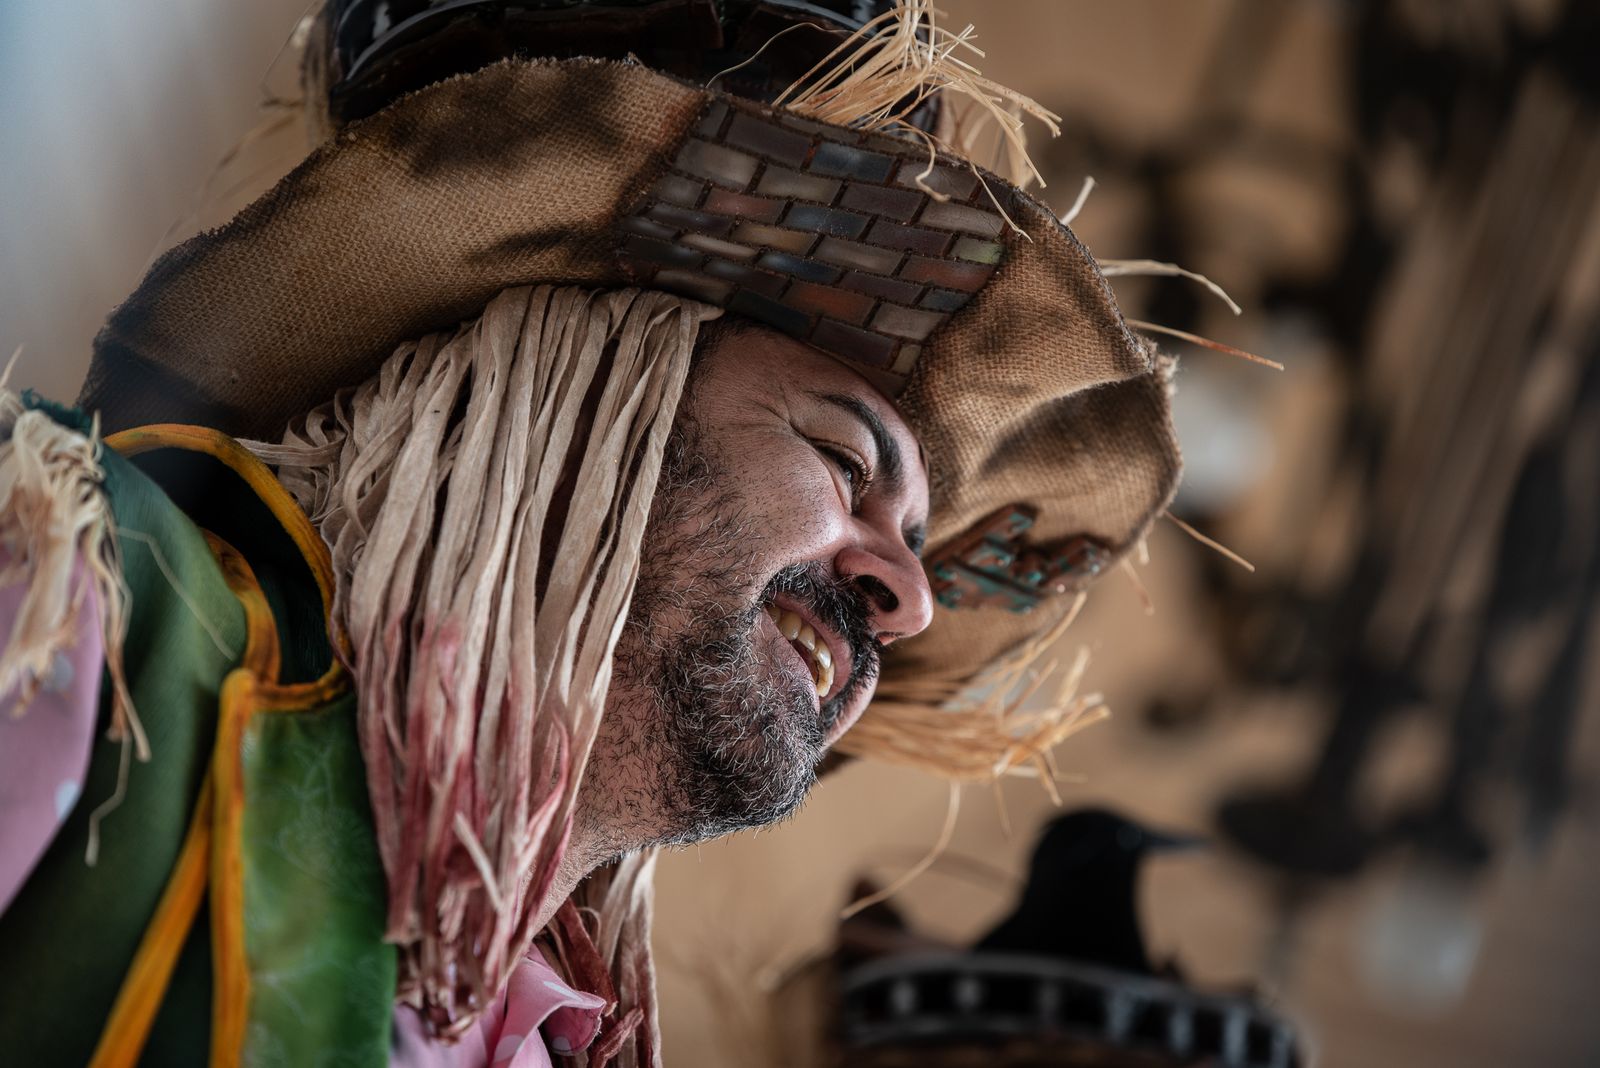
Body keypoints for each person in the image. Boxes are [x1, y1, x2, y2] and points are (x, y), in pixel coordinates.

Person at [0, 2, 1181, 1064]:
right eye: (840, 459)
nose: (907, 599)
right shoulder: (75, 612)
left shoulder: (562, 1038)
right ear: (565, 405)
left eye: (914, 539)